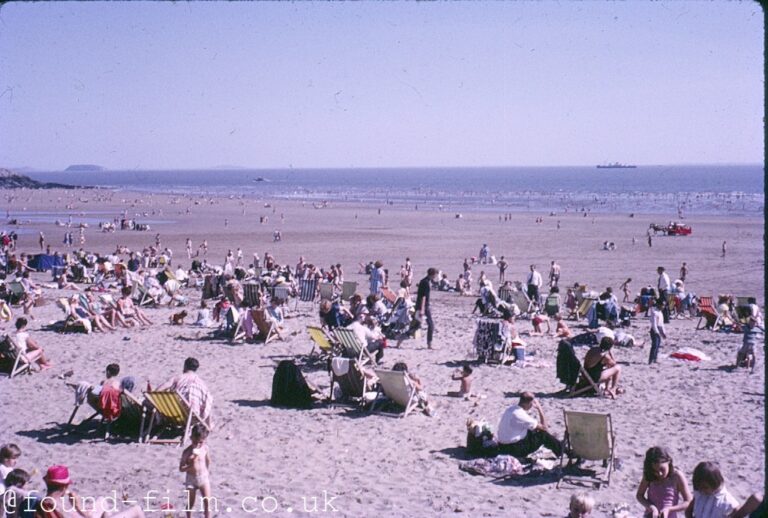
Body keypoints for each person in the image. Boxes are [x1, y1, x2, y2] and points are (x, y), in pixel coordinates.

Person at [34, 465, 145, 517]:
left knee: (103, 503)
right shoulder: (57, 509)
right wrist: (79, 508)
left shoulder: (42, 504)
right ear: (64, 487)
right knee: (137, 510)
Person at [496, 392, 563, 458]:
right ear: (529, 403)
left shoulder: (510, 409)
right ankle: (562, 450)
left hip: (502, 446)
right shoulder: (520, 415)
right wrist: (540, 409)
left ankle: (559, 447)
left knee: (533, 429)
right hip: (514, 450)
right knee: (543, 434)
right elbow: (544, 428)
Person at [636, 446, 692, 518]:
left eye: (662, 469)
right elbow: (639, 495)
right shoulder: (649, 475)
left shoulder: (676, 476)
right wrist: (651, 507)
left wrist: (669, 509)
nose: (659, 474)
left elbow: (688, 501)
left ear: (668, 462)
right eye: (655, 471)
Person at [156, 357, 213, 426]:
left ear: (185, 366)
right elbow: (208, 401)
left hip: (175, 414)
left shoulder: (177, 378)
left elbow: (157, 391)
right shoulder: (202, 383)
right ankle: (208, 425)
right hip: (194, 417)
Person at [180, 424, 213, 518]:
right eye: (195, 442)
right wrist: (189, 466)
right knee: (191, 503)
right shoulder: (187, 452)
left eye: (200, 442)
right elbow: (181, 468)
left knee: (207, 501)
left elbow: (208, 460)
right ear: (191, 438)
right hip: (191, 479)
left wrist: (207, 470)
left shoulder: (205, 448)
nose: (197, 444)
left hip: (203, 478)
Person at [415, 267, 439, 349]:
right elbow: (424, 297)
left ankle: (399, 340)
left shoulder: (424, 281)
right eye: (435, 274)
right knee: (431, 325)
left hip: (420, 305)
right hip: (424, 306)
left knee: (416, 325)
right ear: (433, 274)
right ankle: (429, 344)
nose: (436, 276)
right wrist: (422, 309)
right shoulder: (426, 283)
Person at [649, 299, 667, 365]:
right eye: (662, 305)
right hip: (654, 330)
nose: (663, 306)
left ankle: (655, 359)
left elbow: (661, 324)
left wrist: (663, 333)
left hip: (659, 329)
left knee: (658, 345)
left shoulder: (660, 313)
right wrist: (656, 332)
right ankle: (650, 360)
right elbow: (654, 324)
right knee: (654, 345)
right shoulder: (654, 312)